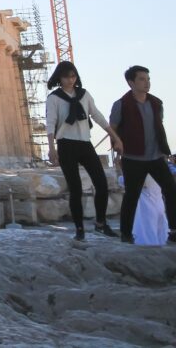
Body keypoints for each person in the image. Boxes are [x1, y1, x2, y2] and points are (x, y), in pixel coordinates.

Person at [45, 61, 123, 239]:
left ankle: (100, 223)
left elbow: (97, 116)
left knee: (101, 184)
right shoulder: (54, 98)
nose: (70, 80)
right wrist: (52, 148)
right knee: (76, 188)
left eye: (73, 76)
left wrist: (115, 137)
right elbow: (50, 123)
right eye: (66, 76)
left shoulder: (84, 94)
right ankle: (79, 229)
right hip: (66, 145)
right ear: (60, 77)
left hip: (84, 143)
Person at [110, 65, 176, 244]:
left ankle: (174, 230)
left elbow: (158, 127)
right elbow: (113, 128)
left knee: (171, 189)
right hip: (133, 157)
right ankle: (126, 234)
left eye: (148, 78)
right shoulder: (121, 104)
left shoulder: (156, 103)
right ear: (131, 82)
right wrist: (117, 147)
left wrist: (165, 151)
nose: (147, 82)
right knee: (132, 195)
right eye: (142, 79)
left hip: (156, 157)